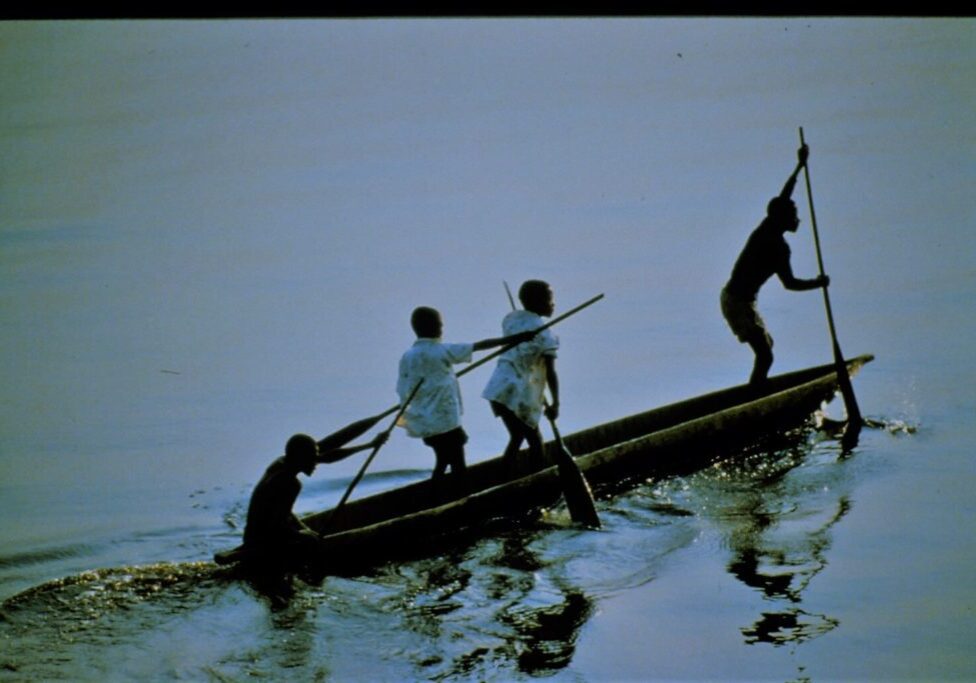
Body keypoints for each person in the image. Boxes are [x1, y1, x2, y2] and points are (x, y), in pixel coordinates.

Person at [721, 143, 830, 385]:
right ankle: (754, 401)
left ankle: (756, 392)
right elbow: (790, 284)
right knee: (766, 355)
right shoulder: (775, 245)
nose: (797, 218)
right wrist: (818, 283)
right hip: (737, 302)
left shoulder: (769, 229)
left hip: (744, 301)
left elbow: (785, 195)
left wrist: (800, 166)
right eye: (793, 215)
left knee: (767, 345)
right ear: (782, 219)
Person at [396, 306, 535, 489]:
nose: (441, 328)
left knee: (443, 459)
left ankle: (435, 495)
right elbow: (480, 345)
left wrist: (410, 415)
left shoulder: (408, 356)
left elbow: (402, 389)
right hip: (446, 422)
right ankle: (463, 499)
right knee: (457, 464)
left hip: (425, 423)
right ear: (432, 327)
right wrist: (516, 339)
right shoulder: (441, 350)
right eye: (439, 325)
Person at [242, 431, 385, 571]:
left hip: (250, 537)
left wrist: (369, 445)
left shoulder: (280, 463)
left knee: (307, 534)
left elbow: (281, 512)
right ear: (302, 458)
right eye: (313, 458)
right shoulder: (290, 484)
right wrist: (303, 535)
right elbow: (277, 524)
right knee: (315, 549)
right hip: (265, 543)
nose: (316, 463)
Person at [482, 280, 560, 471]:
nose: (553, 304)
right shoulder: (545, 335)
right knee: (535, 440)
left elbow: (524, 349)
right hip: (517, 394)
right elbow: (550, 372)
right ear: (539, 303)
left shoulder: (510, 319)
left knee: (517, 436)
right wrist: (556, 403)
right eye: (550, 300)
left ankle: (504, 478)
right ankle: (540, 480)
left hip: (498, 390)